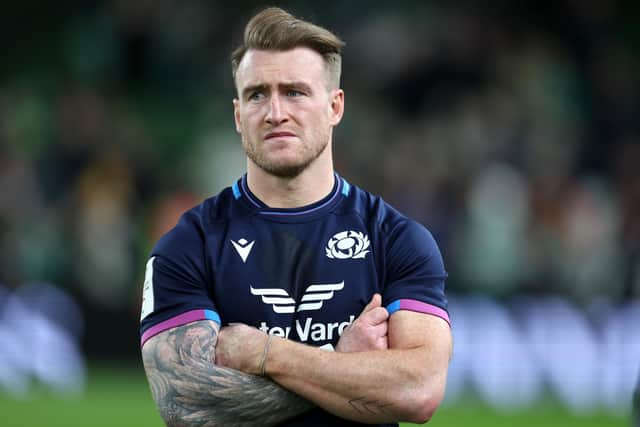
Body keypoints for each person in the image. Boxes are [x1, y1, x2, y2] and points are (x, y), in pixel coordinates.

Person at [140, 7, 452, 427]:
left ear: (335, 106)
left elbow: (417, 392)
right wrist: (340, 364)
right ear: (237, 115)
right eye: (256, 94)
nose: (275, 112)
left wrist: (266, 354)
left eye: (295, 92)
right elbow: (187, 406)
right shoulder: (188, 244)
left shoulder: (397, 240)